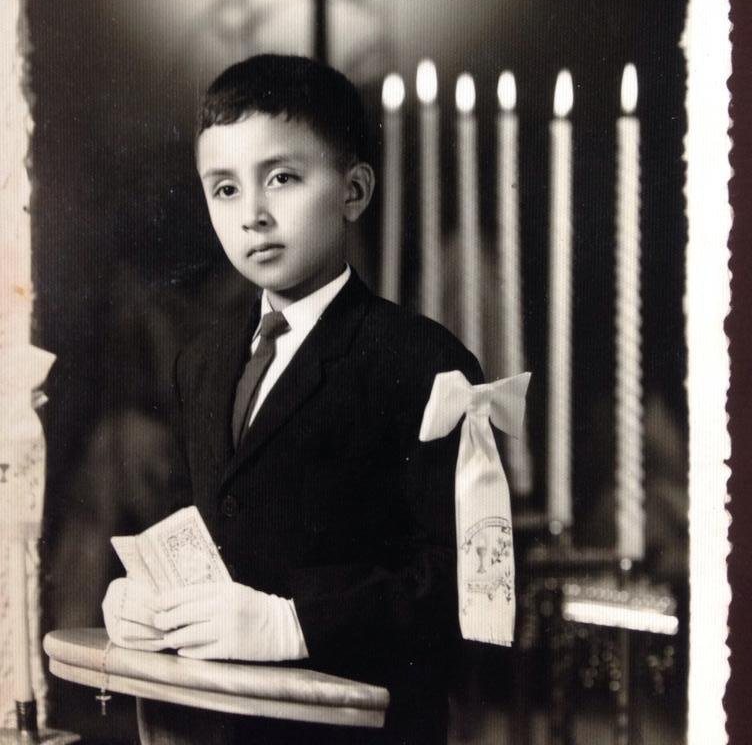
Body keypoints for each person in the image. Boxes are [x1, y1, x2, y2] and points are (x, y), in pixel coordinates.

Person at [102, 54, 483, 745]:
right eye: (224, 189)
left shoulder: (421, 361)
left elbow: (461, 579)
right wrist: (147, 596)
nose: (252, 215)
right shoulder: (202, 362)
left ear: (353, 191)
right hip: (213, 723)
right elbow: (190, 524)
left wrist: (295, 624)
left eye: (282, 178)